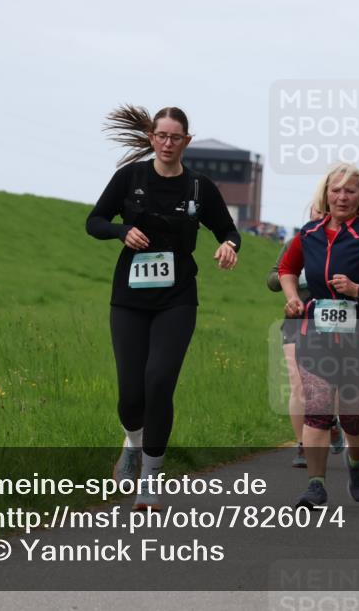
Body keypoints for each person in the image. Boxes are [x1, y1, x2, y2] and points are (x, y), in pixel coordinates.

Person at [87, 105, 241, 511]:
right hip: (129, 299)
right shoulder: (130, 178)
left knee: (159, 382)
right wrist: (122, 231)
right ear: (151, 138)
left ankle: (151, 479)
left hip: (177, 298)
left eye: (176, 137)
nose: (168, 143)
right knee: (130, 393)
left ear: (186, 142)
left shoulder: (198, 188)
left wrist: (229, 245)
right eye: (162, 136)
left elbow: (227, 229)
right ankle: (133, 443)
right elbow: (95, 221)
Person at [278, 163, 359, 507]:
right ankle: (315, 485)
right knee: (317, 407)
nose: (342, 196)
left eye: (350, 190)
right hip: (316, 332)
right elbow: (287, 268)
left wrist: (356, 289)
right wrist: (292, 298)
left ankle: (357, 463)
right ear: (325, 193)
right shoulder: (309, 233)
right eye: (336, 189)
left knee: (352, 415)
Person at [267, 204, 344, 467]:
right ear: (309, 216)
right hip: (295, 319)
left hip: (330, 323)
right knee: (298, 383)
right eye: (316, 213)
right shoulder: (295, 243)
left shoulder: (341, 244)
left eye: (325, 213)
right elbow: (271, 280)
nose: (320, 217)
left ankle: (331, 422)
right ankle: (302, 445)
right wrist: (292, 276)